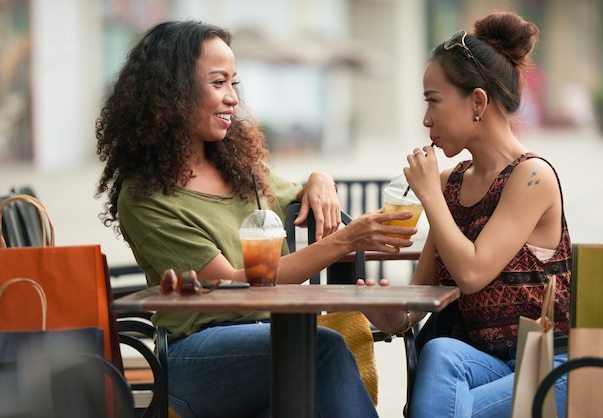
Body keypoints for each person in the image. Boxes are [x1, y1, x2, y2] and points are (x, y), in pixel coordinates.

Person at [95, 20, 416, 418]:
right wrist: (345, 240)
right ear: (172, 92)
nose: (232, 98)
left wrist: (319, 179)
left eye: (234, 83)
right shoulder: (146, 197)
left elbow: (297, 191)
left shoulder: (240, 169)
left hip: (270, 342)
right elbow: (231, 284)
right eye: (218, 83)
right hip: (197, 356)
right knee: (322, 346)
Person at [360, 11, 571, 418]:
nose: (425, 120)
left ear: (477, 101)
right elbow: (423, 294)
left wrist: (430, 197)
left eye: (433, 102)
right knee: (439, 351)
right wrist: (389, 313)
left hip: (548, 367)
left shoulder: (532, 177)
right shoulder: (450, 184)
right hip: (481, 369)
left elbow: (472, 274)